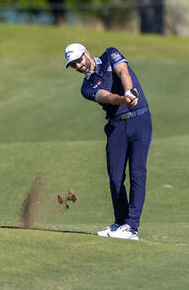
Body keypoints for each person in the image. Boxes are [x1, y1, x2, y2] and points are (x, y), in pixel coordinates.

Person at [64, 42, 151, 241]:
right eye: (73, 65)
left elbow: (124, 72)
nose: (78, 66)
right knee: (115, 177)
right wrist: (122, 99)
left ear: (86, 53)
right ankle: (120, 222)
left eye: (78, 60)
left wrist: (129, 92)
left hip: (140, 119)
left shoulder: (110, 54)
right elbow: (106, 97)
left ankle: (131, 226)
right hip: (116, 125)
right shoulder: (86, 87)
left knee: (138, 172)